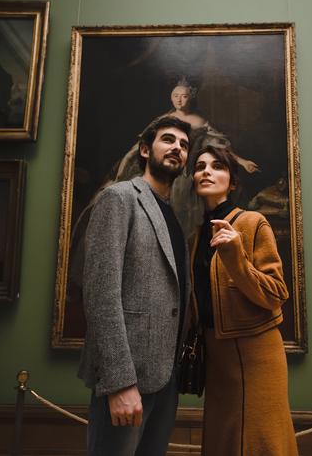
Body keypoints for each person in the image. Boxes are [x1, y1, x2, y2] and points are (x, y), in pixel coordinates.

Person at [78, 116, 191, 456]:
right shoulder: (119, 198)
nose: (177, 148)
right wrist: (119, 383)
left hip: (165, 379)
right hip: (127, 381)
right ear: (145, 150)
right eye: (168, 140)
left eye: (184, 145)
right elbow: (101, 295)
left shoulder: (174, 216)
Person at [189, 145, 298, 455]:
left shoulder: (252, 222)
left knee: (260, 442)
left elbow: (276, 294)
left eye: (217, 166)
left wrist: (237, 259)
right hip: (217, 356)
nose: (206, 171)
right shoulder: (196, 235)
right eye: (200, 166)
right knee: (222, 441)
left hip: (255, 354)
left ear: (233, 182)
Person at [112, 78, 259, 239]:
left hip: (185, 176)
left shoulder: (200, 121)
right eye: (175, 96)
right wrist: (124, 165)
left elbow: (218, 146)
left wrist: (242, 162)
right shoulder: (163, 120)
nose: (179, 100)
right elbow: (140, 146)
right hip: (168, 174)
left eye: (184, 96)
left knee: (184, 220)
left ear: (191, 98)